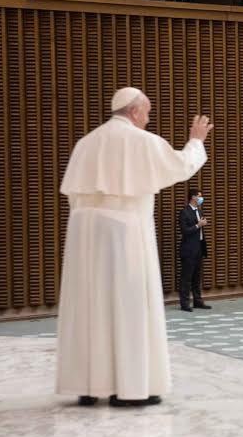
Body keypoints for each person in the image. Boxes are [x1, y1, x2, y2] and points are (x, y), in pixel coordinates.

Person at [57, 88, 211, 407]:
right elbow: (181, 166)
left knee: (88, 306)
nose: (148, 119)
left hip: (83, 233)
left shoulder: (86, 143)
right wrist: (196, 140)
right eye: (148, 113)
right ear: (135, 111)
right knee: (130, 305)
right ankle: (128, 389)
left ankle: (88, 386)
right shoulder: (140, 140)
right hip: (124, 230)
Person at [178, 187, 211, 311]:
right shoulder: (184, 212)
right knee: (186, 278)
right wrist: (198, 225)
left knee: (197, 277)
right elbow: (185, 231)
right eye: (199, 196)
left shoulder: (199, 211)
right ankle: (185, 303)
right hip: (189, 250)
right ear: (193, 197)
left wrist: (201, 224)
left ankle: (198, 301)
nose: (201, 198)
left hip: (199, 248)